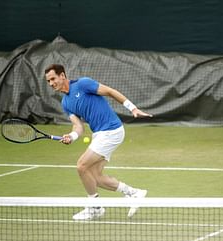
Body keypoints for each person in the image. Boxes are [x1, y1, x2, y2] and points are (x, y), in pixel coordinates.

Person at [45, 64, 152, 220]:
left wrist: (133, 108)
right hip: (100, 134)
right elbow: (78, 126)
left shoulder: (83, 84)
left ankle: (95, 207)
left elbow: (109, 91)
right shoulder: (65, 103)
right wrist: (72, 136)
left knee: (81, 165)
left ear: (62, 76)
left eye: (53, 79)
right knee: (94, 177)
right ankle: (134, 193)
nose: (51, 83)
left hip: (111, 130)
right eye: (48, 81)